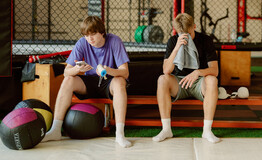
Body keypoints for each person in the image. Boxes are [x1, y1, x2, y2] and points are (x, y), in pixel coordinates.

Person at [42, 16, 132, 148]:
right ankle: (55, 130)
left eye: (93, 34)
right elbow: (67, 72)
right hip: (90, 81)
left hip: (109, 81)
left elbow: (125, 72)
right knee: (68, 80)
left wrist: (108, 70)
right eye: (87, 35)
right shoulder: (82, 43)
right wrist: (77, 69)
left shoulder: (114, 41)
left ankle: (119, 134)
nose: (90, 39)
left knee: (119, 82)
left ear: (102, 32)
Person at [152, 13, 220, 143]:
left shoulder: (206, 40)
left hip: (199, 82)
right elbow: (166, 70)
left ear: (194, 26)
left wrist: (198, 72)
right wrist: (177, 47)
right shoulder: (173, 41)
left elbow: (215, 70)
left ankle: (207, 130)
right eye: (182, 34)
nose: (186, 38)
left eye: (188, 34)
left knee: (212, 80)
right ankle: (166, 129)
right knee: (162, 79)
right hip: (180, 82)